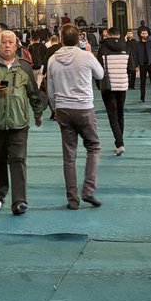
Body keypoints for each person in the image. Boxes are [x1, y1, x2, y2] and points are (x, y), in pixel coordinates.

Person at [0, 29, 42, 215]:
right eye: (3, 42)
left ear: (16, 45)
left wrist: (38, 113)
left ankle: (19, 201)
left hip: (19, 123)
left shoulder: (25, 67)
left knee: (18, 160)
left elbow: (34, 93)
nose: (7, 45)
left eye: (10, 42)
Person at [47, 24, 104, 208]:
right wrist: (88, 52)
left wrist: (55, 109)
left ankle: (72, 199)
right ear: (79, 39)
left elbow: (50, 89)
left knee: (69, 156)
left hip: (63, 108)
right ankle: (88, 190)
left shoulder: (53, 59)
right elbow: (101, 75)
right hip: (84, 108)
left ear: (61, 39)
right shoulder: (86, 56)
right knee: (93, 147)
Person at [97, 27, 135, 154]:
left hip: (108, 86)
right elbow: (131, 67)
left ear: (107, 34)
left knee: (112, 115)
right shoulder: (127, 47)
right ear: (119, 35)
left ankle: (119, 143)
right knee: (120, 113)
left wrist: (99, 85)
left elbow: (98, 69)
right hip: (122, 84)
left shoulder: (103, 48)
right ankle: (120, 141)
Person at [133, 27, 151, 103]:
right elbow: (135, 55)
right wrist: (136, 65)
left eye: (145, 33)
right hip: (142, 65)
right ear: (140, 34)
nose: (144, 35)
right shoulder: (137, 44)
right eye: (143, 33)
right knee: (142, 83)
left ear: (148, 34)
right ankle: (142, 98)